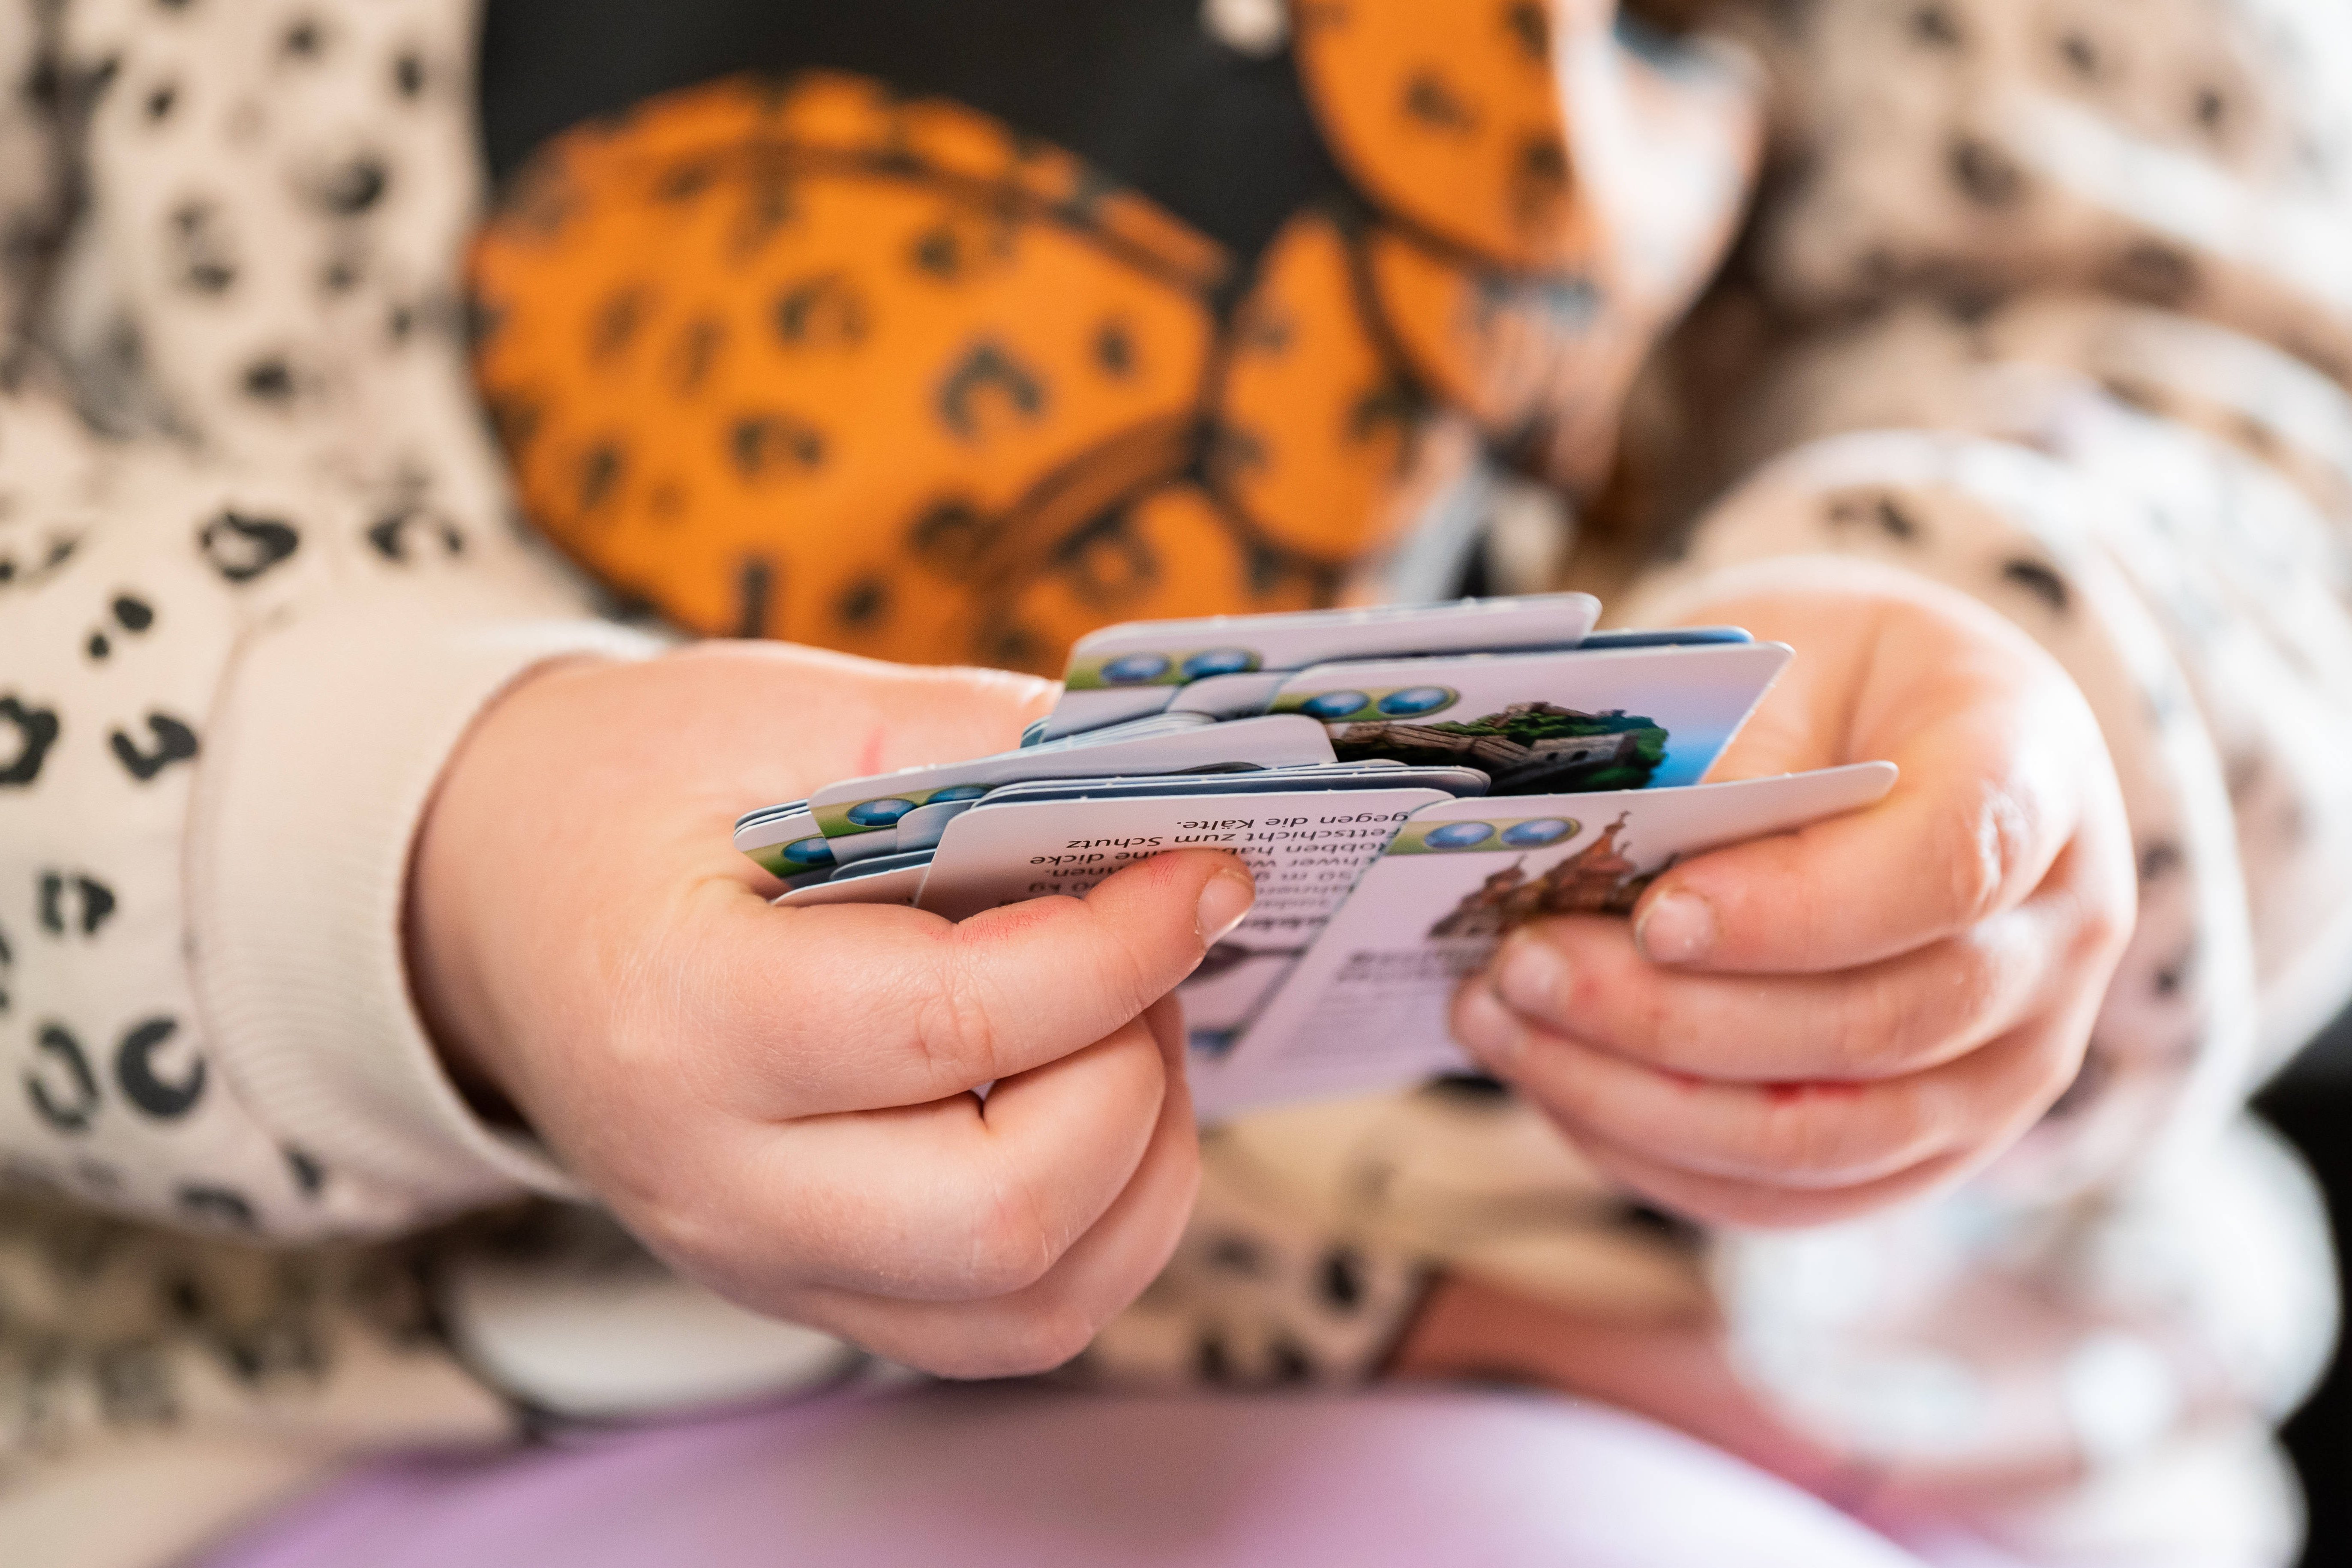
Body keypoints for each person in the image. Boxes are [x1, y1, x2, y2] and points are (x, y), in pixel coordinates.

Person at [0, 2, 2344, 1565]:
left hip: (1774, 1397)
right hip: (368, 1408)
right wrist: (427, 859)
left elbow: (2198, 323)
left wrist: (2019, 724)